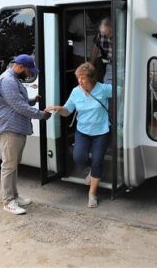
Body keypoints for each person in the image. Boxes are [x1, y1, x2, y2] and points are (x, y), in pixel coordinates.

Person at [0, 54, 51, 215]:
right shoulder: (8, 81)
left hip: (15, 127)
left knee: (13, 164)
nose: (30, 74)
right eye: (29, 71)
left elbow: (17, 101)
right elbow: (19, 106)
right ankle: (8, 201)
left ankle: (14, 196)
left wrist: (31, 100)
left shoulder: (13, 79)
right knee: (9, 165)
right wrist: (41, 115)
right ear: (21, 67)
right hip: (9, 128)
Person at [45, 62, 112, 208]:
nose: (80, 81)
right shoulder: (76, 91)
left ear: (92, 78)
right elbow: (68, 110)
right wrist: (59, 108)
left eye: (83, 78)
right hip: (83, 131)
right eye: (78, 78)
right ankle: (93, 170)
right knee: (79, 158)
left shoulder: (104, 89)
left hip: (101, 131)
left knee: (97, 161)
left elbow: (124, 92)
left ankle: (92, 194)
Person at [90, 17, 113, 84]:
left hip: (124, 64)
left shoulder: (123, 33)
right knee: (107, 84)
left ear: (112, 28)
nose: (105, 35)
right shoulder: (100, 35)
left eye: (108, 33)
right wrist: (90, 65)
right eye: (103, 33)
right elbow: (95, 50)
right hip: (111, 64)